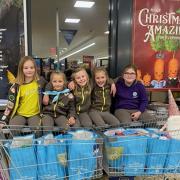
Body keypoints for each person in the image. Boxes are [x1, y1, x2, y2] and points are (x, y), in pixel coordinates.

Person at [0, 56, 47, 134]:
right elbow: (10, 105)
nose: (29, 70)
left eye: (32, 67)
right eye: (26, 68)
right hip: (19, 114)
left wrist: (71, 83)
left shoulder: (40, 81)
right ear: (21, 69)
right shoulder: (15, 86)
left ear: (35, 69)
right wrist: (3, 120)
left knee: (37, 129)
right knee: (14, 127)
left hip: (35, 114)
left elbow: (52, 85)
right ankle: (17, 145)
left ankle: (37, 146)